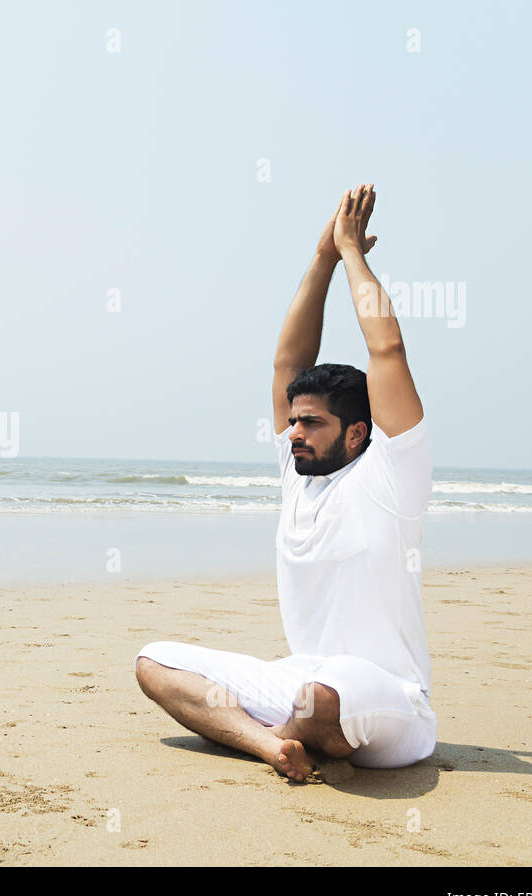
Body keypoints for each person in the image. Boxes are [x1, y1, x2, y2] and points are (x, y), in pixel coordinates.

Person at [134, 184, 437, 781]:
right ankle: (274, 746)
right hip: (301, 679)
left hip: (389, 702)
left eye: (311, 422)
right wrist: (320, 258)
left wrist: (352, 254)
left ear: (356, 433)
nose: (293, 432)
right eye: (292, 420)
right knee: (153, 663)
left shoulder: (392, 475)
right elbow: (286, 364)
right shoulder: (298, 478)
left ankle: (286, 731)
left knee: (322, 696)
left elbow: (389, 349)